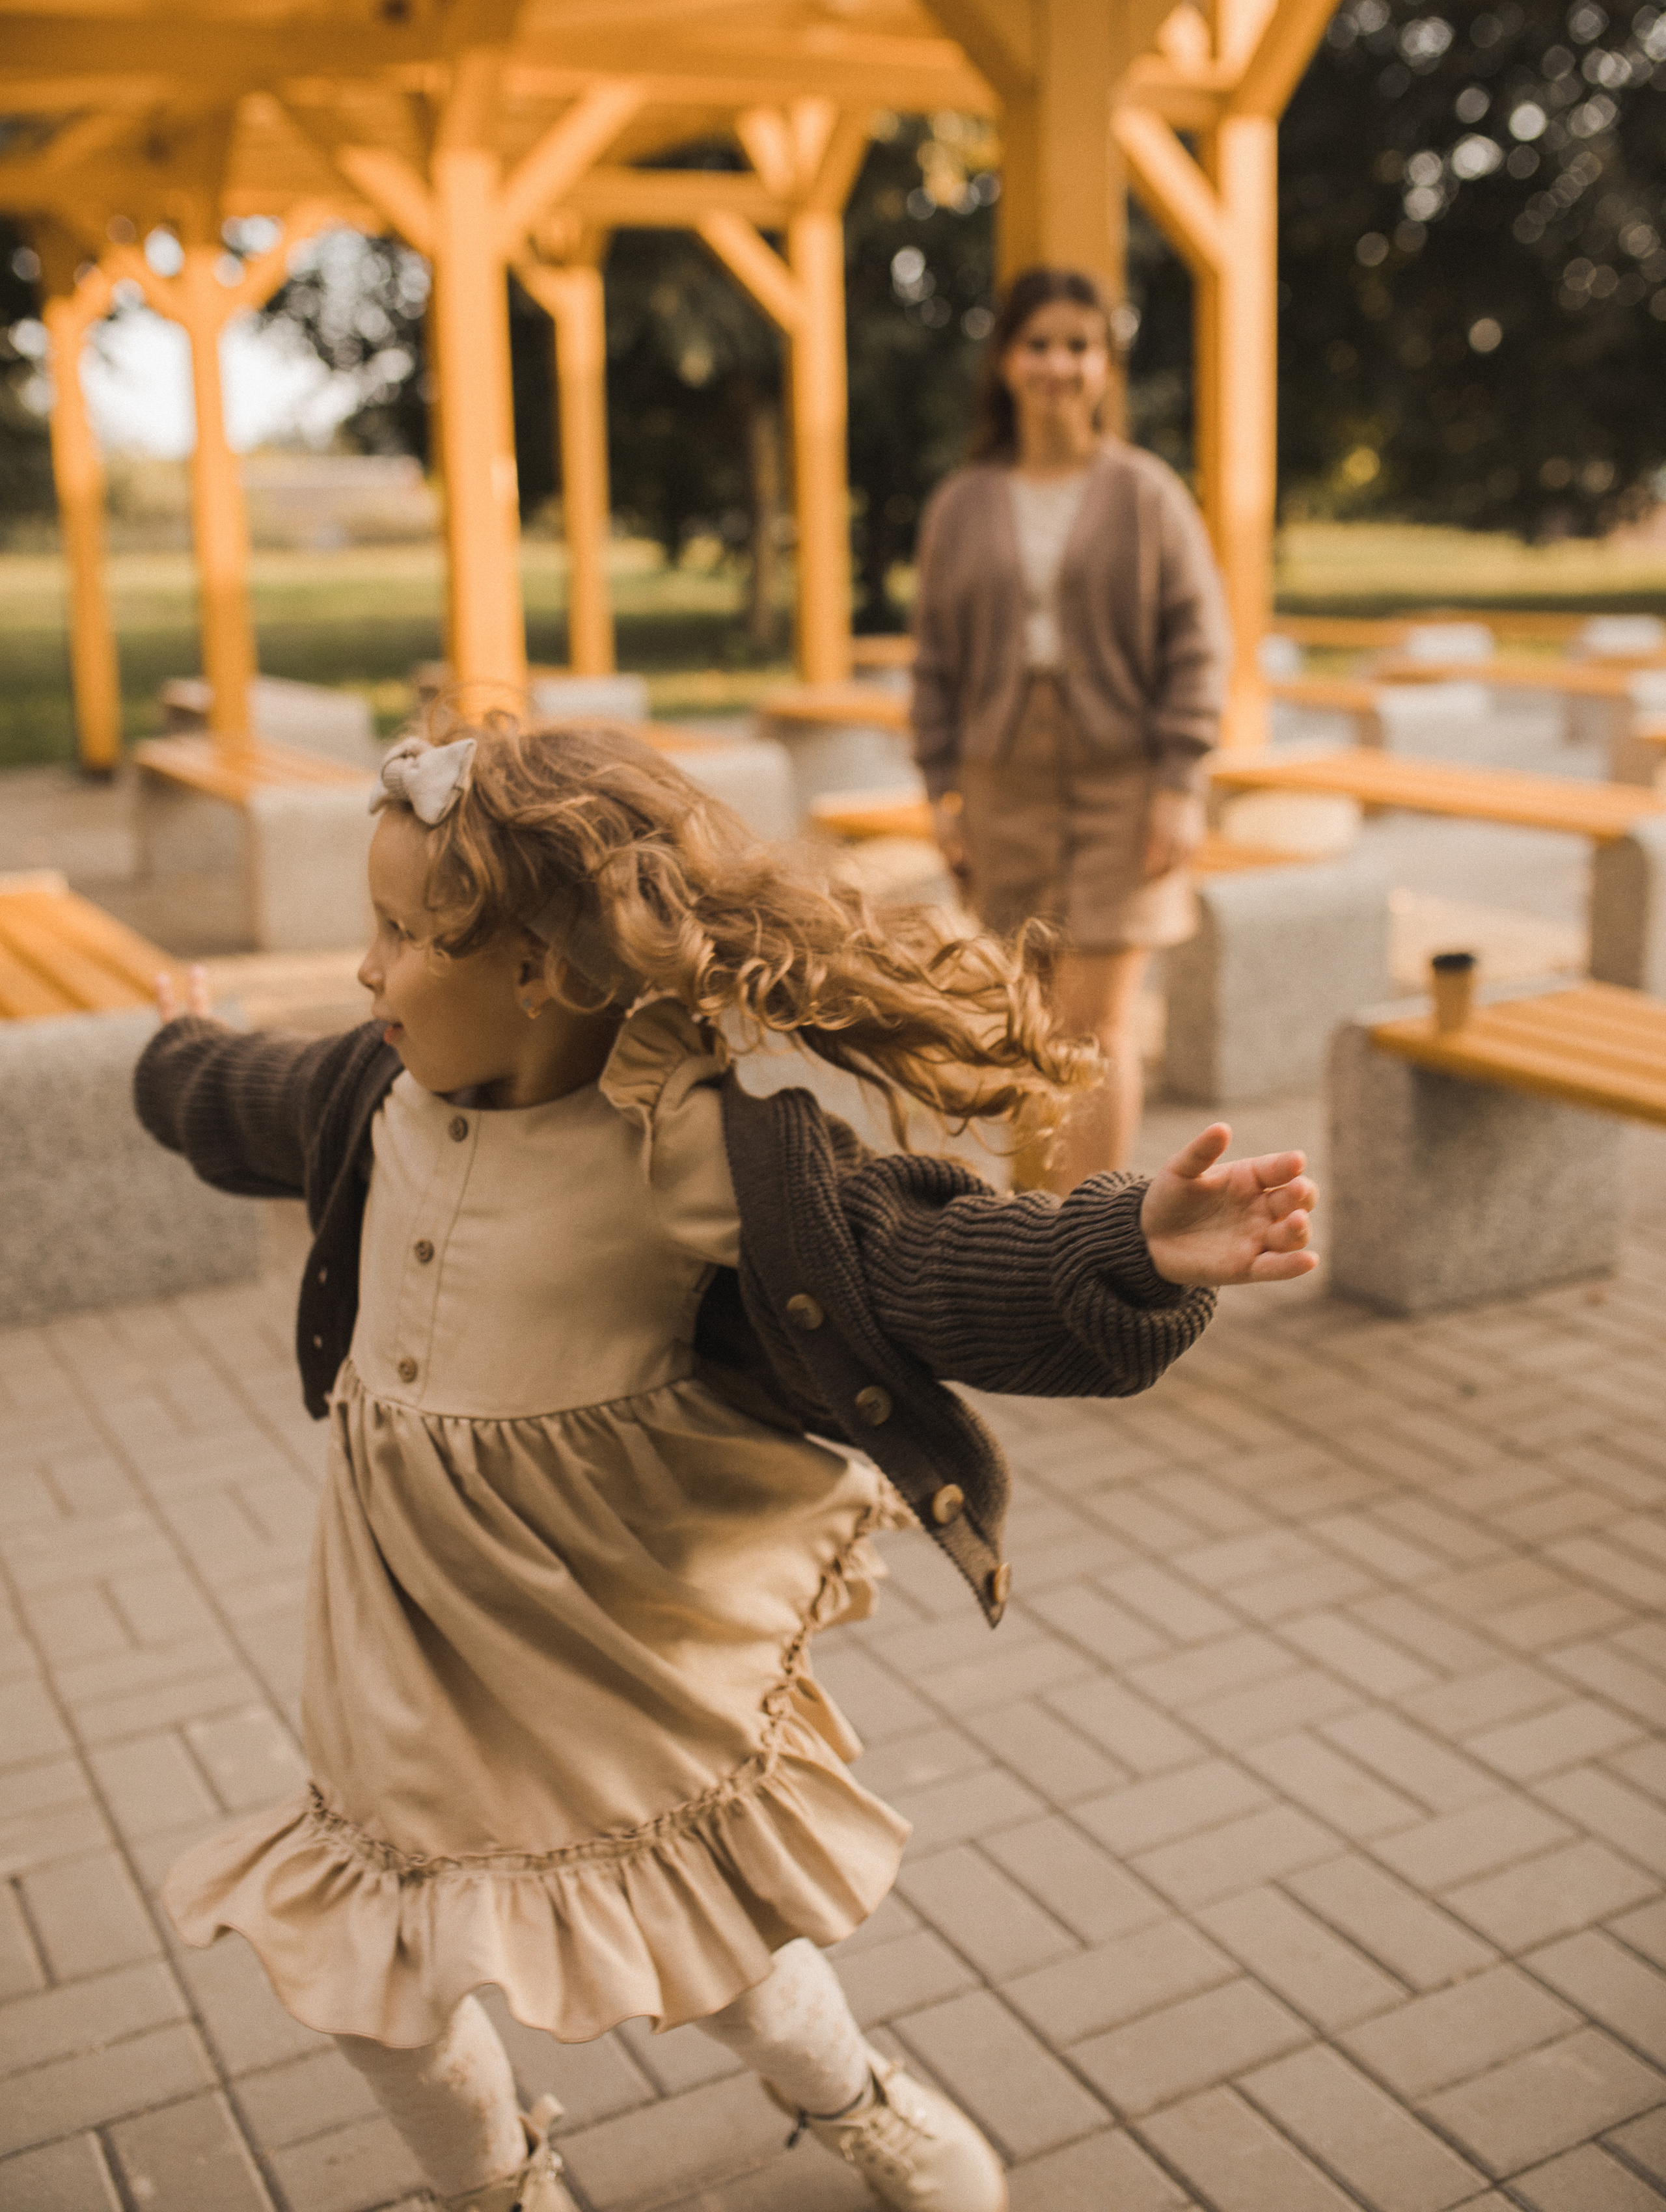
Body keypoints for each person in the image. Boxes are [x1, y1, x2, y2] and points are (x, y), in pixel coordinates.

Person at [135, 720, 1315, 2212]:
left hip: (602, 1638)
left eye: (400, 934)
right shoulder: (370, 1093)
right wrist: (164, 1053)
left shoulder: (689, 1149)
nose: (365, 969)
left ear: (541, 976)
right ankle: (493, 2188)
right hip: (396, 1639)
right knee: (376, 1978)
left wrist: (1118, 1245)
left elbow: (917, 1267)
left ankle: (849, 2097)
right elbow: (237, 1096)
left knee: (721, 1952)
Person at [911, 265, 1233, 1187]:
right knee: (1028, 1024)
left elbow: (1199, 643)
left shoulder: (1146, 493)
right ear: (1008, 361)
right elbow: (933, 664)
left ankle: (1089, 1235)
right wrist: (943, 792)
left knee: (1098, 1028)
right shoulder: (962, 503)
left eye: (1080, 346)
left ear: (1105, 366)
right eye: (1041, 344)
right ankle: (1031, 1239)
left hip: (1125, 784)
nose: (1060, 363)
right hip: (1003, 782)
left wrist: (1179, 785)